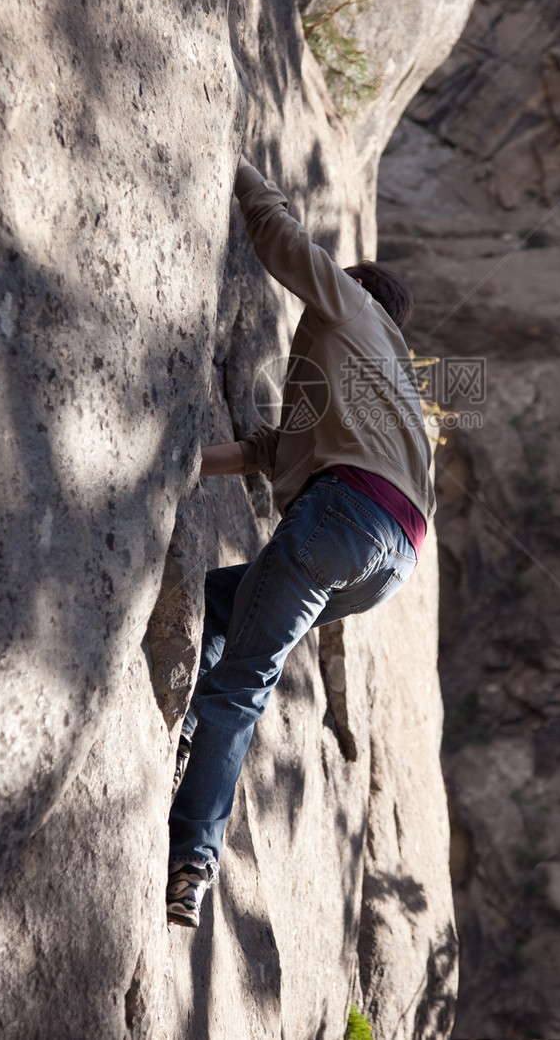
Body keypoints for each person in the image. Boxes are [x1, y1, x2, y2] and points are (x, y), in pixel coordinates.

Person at [166, 154, 435, 927]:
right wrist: (179, 466)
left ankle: (193, 859)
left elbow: (279, 236)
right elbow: (265, 453)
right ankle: (191, 739)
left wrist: (231, 162)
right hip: (390, 561)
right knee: (226, 603)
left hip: (343, 516)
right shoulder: (386, 384)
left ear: (353, 287)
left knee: (244, 682)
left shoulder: (351, 308)